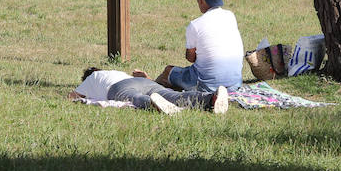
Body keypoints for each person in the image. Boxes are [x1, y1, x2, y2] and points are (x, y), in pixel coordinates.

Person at [155, 0, 244, 96]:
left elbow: (191, 58)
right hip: (235, 84)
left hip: (206, 86)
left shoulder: (195, 25)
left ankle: (151, 86)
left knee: (168, 71)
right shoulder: (230, 16)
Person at [70, 67, 228, 115]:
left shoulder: (93, 77)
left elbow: (73, 97)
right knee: (174, 95)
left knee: (135, 98)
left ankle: (161, 107)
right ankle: (209, 99)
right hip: (143, 81)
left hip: (119, 88)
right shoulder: (115, 72)